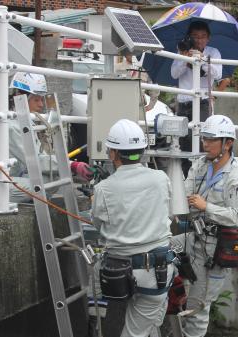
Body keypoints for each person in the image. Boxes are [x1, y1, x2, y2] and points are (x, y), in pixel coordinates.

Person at [171, 115, 238, 337]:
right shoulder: (201, 164)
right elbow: (186, 191)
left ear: (228, 143)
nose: (205, 143)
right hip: (194, 238)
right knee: (164, 249)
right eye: (204, 138)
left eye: (211, 139)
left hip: (213, 249)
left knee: (198, 308)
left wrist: (206, 207)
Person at [0, 72, 92, 212]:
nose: (41, 105)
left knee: (53, 178)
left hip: (2, 179)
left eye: (41, 100)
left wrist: (69, 166)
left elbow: (40, 160)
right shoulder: (10, 126)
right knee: (40, 185)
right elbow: (35, 161)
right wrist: (72, 165)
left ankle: (16, 202)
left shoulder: (23, 122)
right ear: (20, 98)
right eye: (36, 100)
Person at [91, 119, 174, 337]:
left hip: (118, 272)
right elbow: (168, 211)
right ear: (142, 150)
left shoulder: (103, 189)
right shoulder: (161, 178)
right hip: (158, 272)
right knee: (145, 325)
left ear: (113, 154)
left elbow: (98, 226)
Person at [171, 21, 222, 175]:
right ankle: (186, 179)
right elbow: (174, 74)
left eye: (203, 37)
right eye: (195, 37)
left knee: (204, 141)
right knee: (184, 143)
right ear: (189, 38)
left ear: (208, 38)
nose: (199, 40)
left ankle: (202, 177)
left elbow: (218, 74)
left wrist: (202, 59)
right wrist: (184, 58)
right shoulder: (182, 51)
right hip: (183, 103)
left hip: (203, 102)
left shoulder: (213, 52)